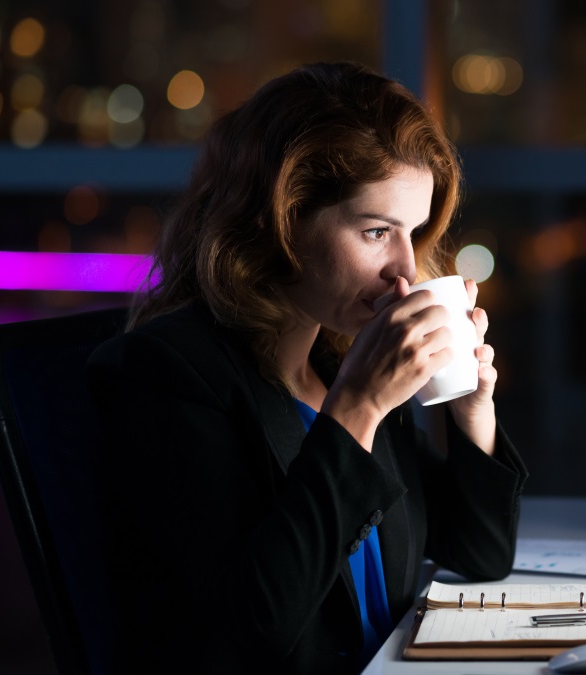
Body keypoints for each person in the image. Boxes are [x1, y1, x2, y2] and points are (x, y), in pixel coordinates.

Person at [86, 62, 527, 674]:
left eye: (414, 231)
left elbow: (481, 555)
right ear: (281, 221)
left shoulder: (339, 360)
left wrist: (470, 407)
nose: (405, 269)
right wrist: (359, 408)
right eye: (376, 230)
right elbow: (249, 633)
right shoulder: (167, 374)